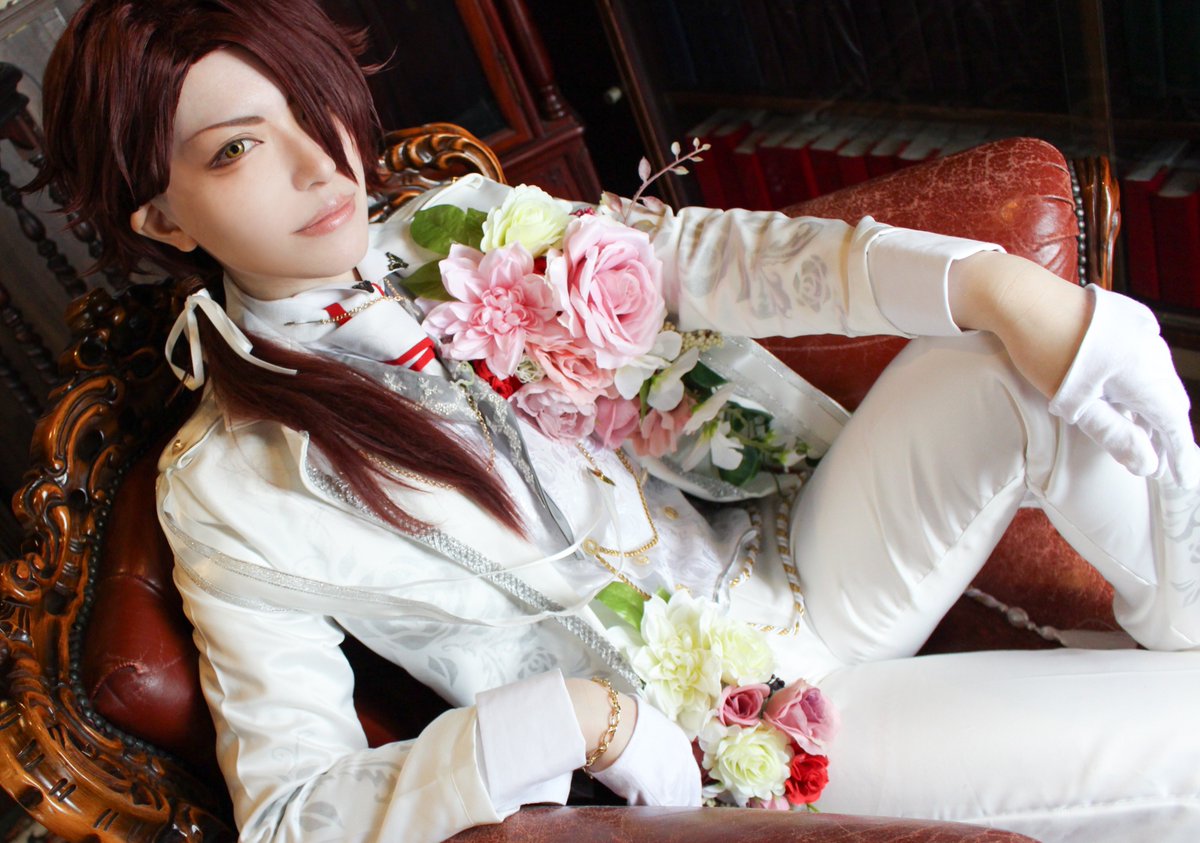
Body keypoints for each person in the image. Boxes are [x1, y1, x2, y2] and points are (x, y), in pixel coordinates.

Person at [34, 1, 1200, 841]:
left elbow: (708, 256)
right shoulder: (228, 487)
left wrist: (992, 284)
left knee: (1018, 354)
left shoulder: (452, 230)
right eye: (238, 148)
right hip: (750, 725)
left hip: (806, 561)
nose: (319, 162)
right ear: (163, 218)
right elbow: (294, 815)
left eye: (308, 101)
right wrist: (568, 723)